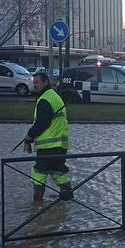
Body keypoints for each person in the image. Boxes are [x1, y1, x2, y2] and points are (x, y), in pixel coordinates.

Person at [23, 72, 72, 202]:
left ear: (45, 82)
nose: (35, 85)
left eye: (37, 82)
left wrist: (29, 136)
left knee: (38, 173)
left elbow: (42, 122)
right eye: (34, 83)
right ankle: (68, 198)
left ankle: (37, 204)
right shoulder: (54, 96)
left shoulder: (45, 99)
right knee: (59, 173)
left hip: (47, 146)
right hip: (61, 145)